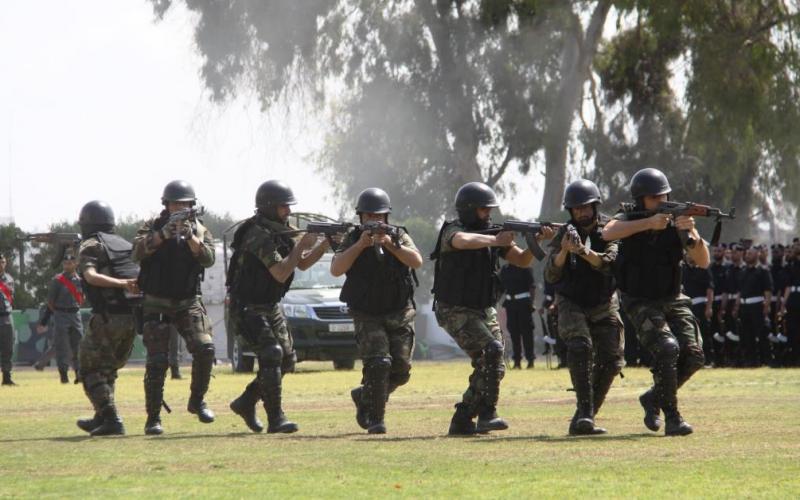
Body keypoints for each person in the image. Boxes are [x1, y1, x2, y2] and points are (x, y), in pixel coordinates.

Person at [431, 181, 555, 435]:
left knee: (494, 364)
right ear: (468, 210)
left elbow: (521, 260)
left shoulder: (493, 234)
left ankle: (463, 418)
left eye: (489, 210)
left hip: (482, 307)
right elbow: (462, 241)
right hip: (453, 308)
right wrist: (494, 239)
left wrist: (536, 240)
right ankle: (488, 414)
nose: (488, 214)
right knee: (492, 350)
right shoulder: (453, 230)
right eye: (482, 210)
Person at [603, 167, 707, 436]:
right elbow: (608, 232)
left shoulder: (678, 220)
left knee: (694, 355)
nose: (660, 202)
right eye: (653, 198)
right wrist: (648, 223)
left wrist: (692, 234)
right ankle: (673, 417)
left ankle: (653, 398)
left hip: (673, 298)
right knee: (667, 348)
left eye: (663, 196)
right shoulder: (628, 215)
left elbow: (703, 260)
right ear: (641, 200)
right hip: (639, 300)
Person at [227, 180, 328, 433]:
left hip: (269, 305)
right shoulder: (257, 235)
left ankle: (247, 401)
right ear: (269, 207)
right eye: (284, 207)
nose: (288, 212)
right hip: (247, 307)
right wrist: (303, 245)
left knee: (287, 360)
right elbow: (281, 273)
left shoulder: (283, 230)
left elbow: (302, 264)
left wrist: (325, 244)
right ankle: (276, 418)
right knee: (271, 353)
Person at [331, 187, 422, 434]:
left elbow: (417, 261)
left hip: (398, 310)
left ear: (386, 217)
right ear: (361, 217)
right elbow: (336, 269)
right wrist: (360, 245)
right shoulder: (351, 237)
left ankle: (366, 396)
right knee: (379, 363)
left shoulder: (398, 235)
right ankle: (376, 418)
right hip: (367, 312)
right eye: (369, 216)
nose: (374, 221)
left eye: (378, 216)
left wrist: (391, 246)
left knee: (401, 371)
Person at [133, 180, 216, 435]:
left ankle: (197, 400)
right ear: (166, 205)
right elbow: (136, 252)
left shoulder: (200, 229)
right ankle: (153, 418)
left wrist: (190, 237)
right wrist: (162, 235)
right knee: (158, 360)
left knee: (204, 348)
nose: (179, 207)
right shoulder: (152, 226)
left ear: (191, 206)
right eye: (174, 203)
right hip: (157, 301)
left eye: (184, 203)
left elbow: (209, 259)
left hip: (187, 301)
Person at [544, 179, 623, 435]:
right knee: (580, 346)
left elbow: (609, 263)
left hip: (603, 299)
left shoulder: (611, 229)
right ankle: (586, 411)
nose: (581, 212)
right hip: (571, 300)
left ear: (595, 206)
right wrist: (565, 251)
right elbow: (550, 275)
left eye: (585, 207)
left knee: (611, 360)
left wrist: (582, 252)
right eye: (576, 208)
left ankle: (583, 417)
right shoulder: (564, 232)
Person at [75, 200, 141, 436]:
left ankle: (112, 418)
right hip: (131, 317)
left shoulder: (91, 245)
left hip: (107, 317)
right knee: (107, 370)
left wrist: (120, 284)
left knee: (89, 368)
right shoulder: (125, 244)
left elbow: (91, 277)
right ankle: (101, 416)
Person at [36, 252, 84, 384]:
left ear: (75, 264)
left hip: (75, 315)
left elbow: (82, 297)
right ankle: (63, 374)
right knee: (62, 347)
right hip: (61, 315)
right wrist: (45, 320)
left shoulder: (80, 280)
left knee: (78, 346)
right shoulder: (57, 280)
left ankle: (78, 373)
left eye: (70, 263)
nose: (67, 265)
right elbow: (50, 302)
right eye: (65, 263)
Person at [733, 247, 773, 367]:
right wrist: (736, 306)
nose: (747, 255)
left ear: (757, 255)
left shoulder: (763, 271)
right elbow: (740, 291)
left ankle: (766, 359)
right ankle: (751, 360)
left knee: (761, 334)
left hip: (757, 306)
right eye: (747, 253)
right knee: (747, 335)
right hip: (744, 307)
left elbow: (768, 290)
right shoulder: (743, 271)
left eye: (750, 254)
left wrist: (766, 306)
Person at [499, 263, 535, 369]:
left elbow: (532, 287)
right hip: (510, 304)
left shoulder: (525, 267)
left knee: (527, 332)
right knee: (514, 333)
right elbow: (501, 286)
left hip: (524, 303)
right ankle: (517, 361)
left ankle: (530, 360)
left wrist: (532, 303)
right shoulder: (505, 269)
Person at [681, 254, 714, 368]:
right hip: (687, 306)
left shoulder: (704, 269)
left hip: (701, 305)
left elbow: (710, 290)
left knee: (704, 333)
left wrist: (709, 307)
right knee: (689, 335)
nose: (689, 256)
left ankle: (708, 360)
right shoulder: (683, 270)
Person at [779, 240, 800, 366]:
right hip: (793, 300)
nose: (795, 248)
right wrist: (783, 305)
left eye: (797, 246)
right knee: (792, 330)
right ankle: (794, 358)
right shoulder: (790, 266)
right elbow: (787, 286)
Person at [0, 254, 16, 386]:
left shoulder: (10, 279)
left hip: (6, 316)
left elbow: (12, 297)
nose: (1, 264)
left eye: (3, 262)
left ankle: (7, 377)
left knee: (8, 348)